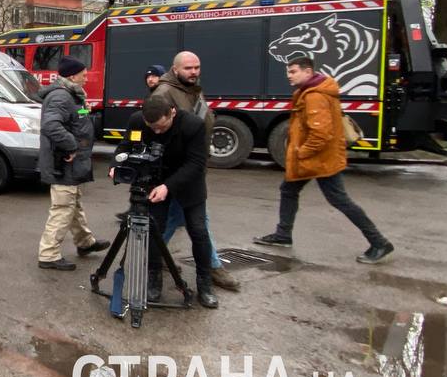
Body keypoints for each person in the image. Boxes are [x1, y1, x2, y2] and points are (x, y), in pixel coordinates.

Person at [254, 55, 394, 263]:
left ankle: (379, 242)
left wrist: (301, 153)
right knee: (289, 190)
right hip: (317, 159)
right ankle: (283, 235)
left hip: (319, 160)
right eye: (288, 72)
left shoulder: (315, 96)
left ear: (308, 72)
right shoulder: (311, 91)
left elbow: (320, 134)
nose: (289, 76)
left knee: (339, 200)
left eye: (293, 71)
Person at [148, 52, 237, 292]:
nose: (194, 72)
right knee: (198, 223)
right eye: (188, 68)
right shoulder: (165, 94)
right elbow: (162, 136)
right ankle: (212, 267)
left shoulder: (190, 88)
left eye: (197, 67)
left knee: (173, 222)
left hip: (193, 167)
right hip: (179, 173)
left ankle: (152, 257)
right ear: (175, 69)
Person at [124, 97, 218, 307]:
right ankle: (153, 280)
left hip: (188, 184)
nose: (157, 132)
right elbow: (126, 146)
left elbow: (196, 163)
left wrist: (168, 187)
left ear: (172, 113)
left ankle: (205, 285)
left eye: (161, 127)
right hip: (155, 183)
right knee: (154, 231)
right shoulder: (137, 121)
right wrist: (116, 164)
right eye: (152, 128)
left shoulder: (193, 125)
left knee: (199, 231)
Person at [38, 56, 110, 271]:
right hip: (64, 163)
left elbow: (76, 118)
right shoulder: (61, 97)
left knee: (73, 204)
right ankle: (48, 255)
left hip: (72, 164)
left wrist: (87, 117)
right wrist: (70, 145)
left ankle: (85, 243)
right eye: (83, 75)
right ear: (72, 76)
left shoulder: (73, 96)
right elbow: (51, 125)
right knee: (63, 207)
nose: (86, 79)